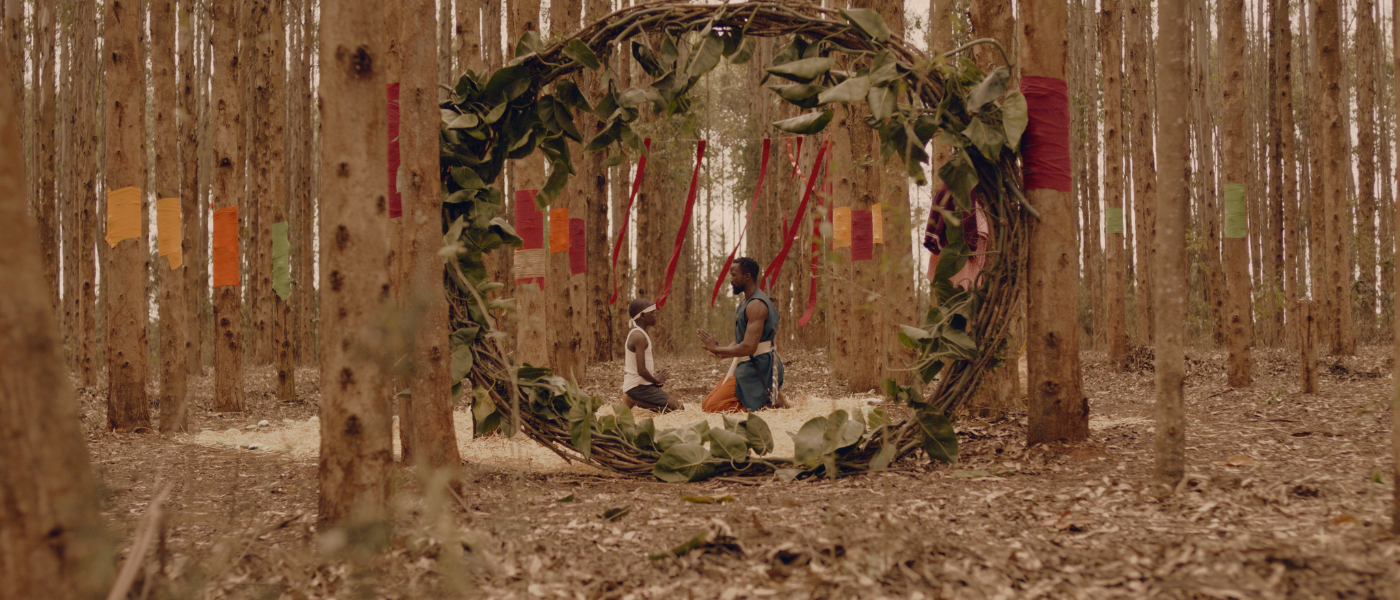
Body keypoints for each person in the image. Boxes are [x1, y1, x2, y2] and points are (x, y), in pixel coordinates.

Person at [697, 257, 790, 412]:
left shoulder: (756, 304)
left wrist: (718, 349)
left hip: (761, 367)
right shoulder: (745, 302)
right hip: (747, 365)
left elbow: (749, 347)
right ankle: (767, 398)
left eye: (734, 275)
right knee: (705, 404)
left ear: (747, 276)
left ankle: (770, 403)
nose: (730, 279)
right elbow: (740, 340)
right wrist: (722, 352)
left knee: (713, 406)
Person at [622, 297, 682, 413]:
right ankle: (631, 400)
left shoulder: (640, 334)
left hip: (642, 385)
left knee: (672, 411)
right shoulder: (638, 336)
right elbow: (641, 370)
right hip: (638, 386)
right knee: (679, 408)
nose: (655, 315)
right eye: (652, 312)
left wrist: (653, 382)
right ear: (643, 316)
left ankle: (632, 400)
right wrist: (655, 380)